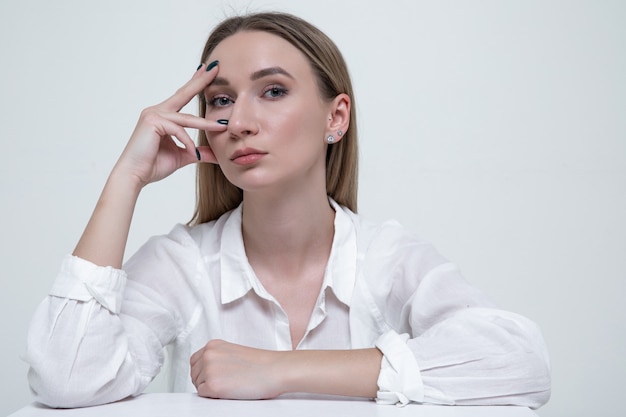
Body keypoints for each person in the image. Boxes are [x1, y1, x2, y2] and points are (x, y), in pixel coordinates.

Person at [24, 11, 551, 409]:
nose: (240, 122)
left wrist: (278, 371)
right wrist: (126, 179)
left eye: (273, 90)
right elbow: (68, 378)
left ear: (335, 118)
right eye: (222, 100)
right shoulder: (182, 263)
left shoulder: (385, 257)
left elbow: (519, 361)